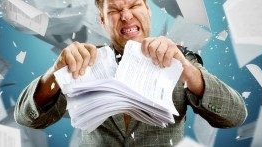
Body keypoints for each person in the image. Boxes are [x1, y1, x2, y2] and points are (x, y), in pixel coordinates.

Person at [14, 0, 247, 146]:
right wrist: (55, 72)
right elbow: (26, 118)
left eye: (134, 5)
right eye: (114, 10)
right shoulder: (84, 62)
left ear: (148, 9)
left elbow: (235, 116)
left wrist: (187, 70)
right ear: (102, 20)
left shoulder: (180, 60)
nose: (126, 16)